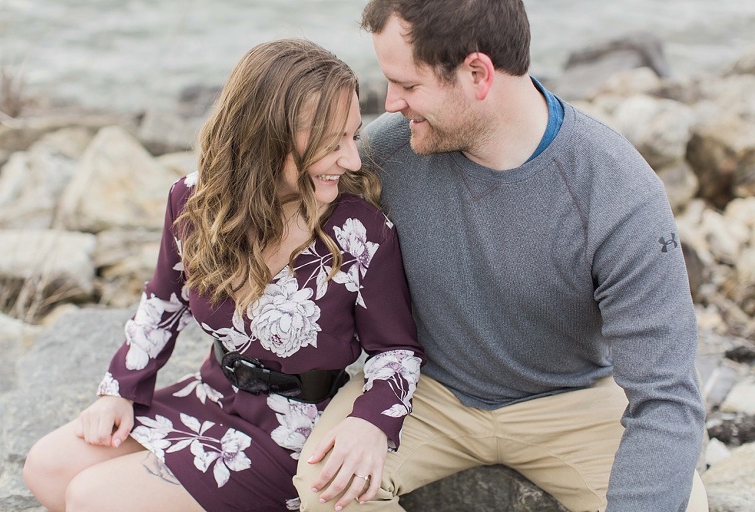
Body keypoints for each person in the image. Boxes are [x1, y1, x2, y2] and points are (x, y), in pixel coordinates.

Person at [294, 1, 709, 511]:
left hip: (570, 403)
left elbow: (666, 401)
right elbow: (278, 203)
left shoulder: (617, 194)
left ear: (477, 74)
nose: (391, 103)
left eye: (407, 84)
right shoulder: (386, 154)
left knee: (682, 502)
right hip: (427, 392)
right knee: (324, 484)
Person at [22, 38, 424, 512]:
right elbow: (163, 302)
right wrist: (121, 392)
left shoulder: (361, 232)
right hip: (210, 394)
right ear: (268, 137)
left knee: (92, 499)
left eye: (353, 136)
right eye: (332, 142)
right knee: (45, 466)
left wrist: (373, 424)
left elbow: (395, 351)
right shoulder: (194, 203)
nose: (353, 159)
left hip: (295, 430)